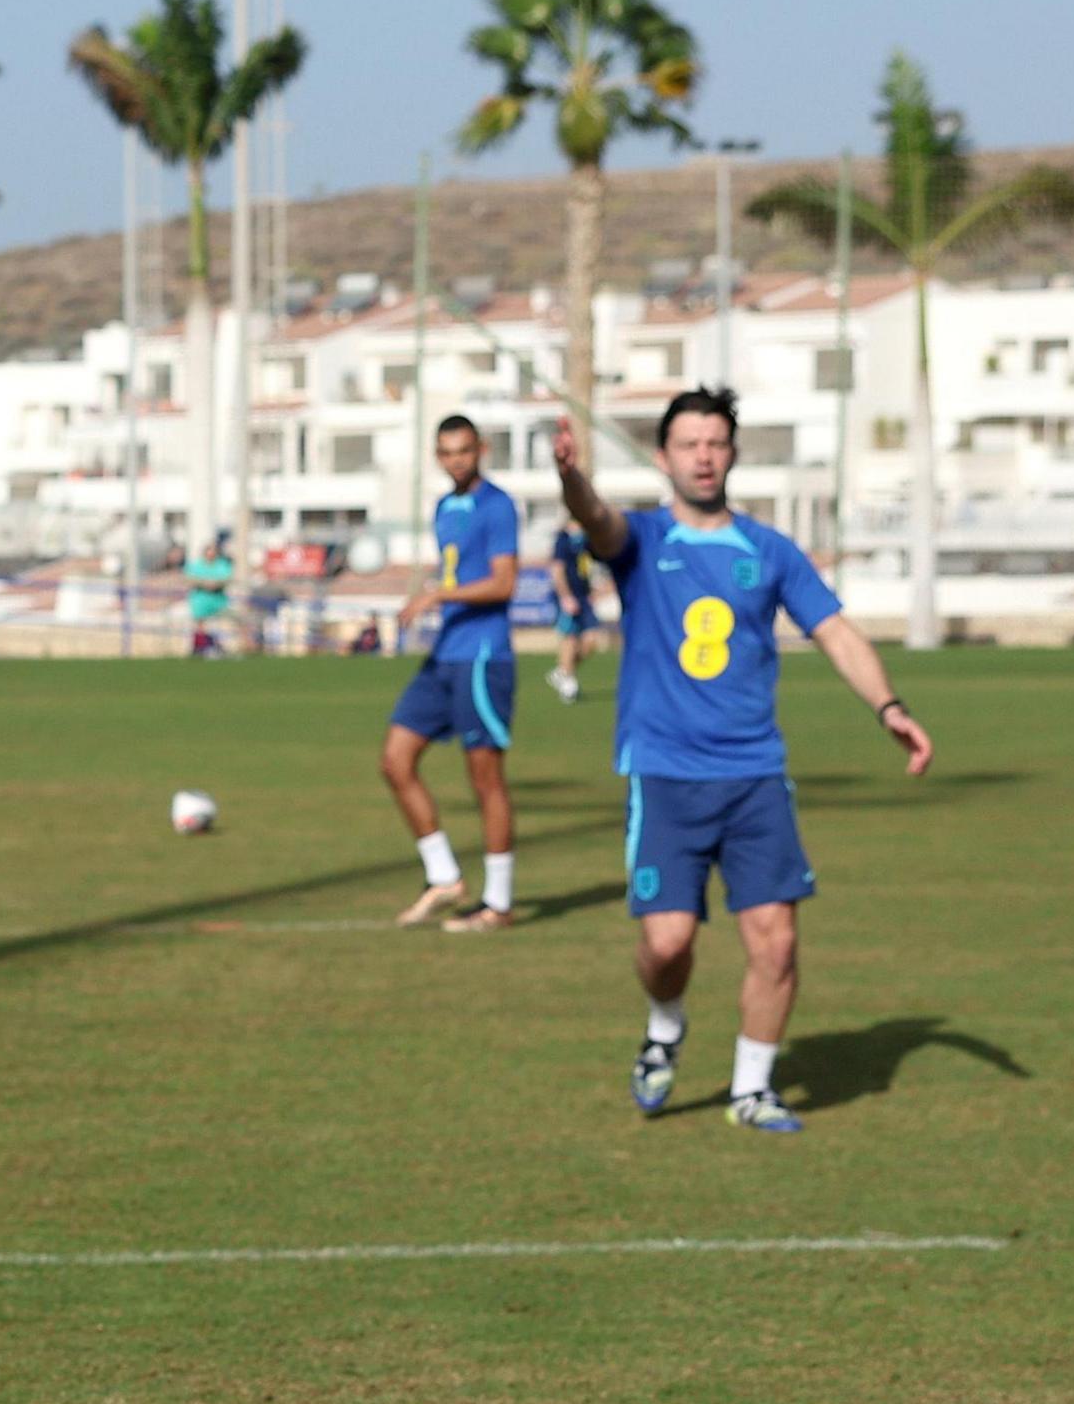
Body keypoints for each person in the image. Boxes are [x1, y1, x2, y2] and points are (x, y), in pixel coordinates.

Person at [554, 395, 931, 1131]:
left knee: (777, 940)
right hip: (664, 774)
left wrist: (890, 707)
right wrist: (571, 478)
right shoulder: (643, 540)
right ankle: (665, 1026)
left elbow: (837, 633)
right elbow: (597, 519)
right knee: (666, 945)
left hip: (755, 774)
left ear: (732, 454)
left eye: (716, 442)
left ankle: (751, 1089)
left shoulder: (770, 550)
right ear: (662, 457)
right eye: (688, 442)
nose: (703, 455)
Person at [380, 415, 524, 932]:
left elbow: (504, 583)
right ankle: (443, 877)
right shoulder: (444, 506)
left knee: (485, 779)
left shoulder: (498, 506)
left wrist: (438, 595)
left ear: (481, 449)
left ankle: (499, 903)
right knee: (396, 761)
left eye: (463, 450)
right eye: (445, 452)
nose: (455, 460)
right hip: (445, 654)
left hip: (483, 657)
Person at [545, 510, 605, 701]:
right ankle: (568, 683)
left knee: (591, 640)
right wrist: (565, 596)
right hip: (568, 596)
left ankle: (562, 671)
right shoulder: (563, 539)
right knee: (570, 637)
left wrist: (593, 590)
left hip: (584, 596)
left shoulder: (587, 539)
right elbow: (557, 569)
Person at [181, 534, 234, 657]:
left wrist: (216, 584)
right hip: (200, 599)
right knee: (200, 623)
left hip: (218, 600)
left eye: (213, 551)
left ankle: (217, 646)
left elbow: (227, 578)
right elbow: (188, 578)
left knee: (222, 624)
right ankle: (201, 647)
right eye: (209, 551)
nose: (211, 554)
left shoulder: (222, 565)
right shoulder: (196, 565)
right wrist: (203, 583)